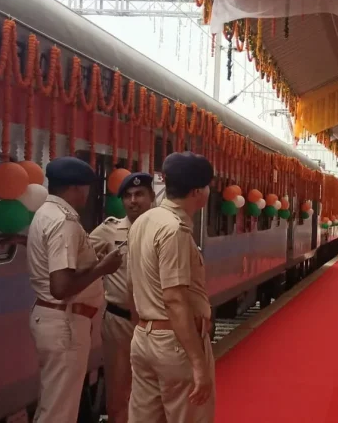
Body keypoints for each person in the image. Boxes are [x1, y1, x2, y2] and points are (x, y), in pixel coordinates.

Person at [27, 157, 123, 422]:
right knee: (60, 411)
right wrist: (102, 268)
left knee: (53, 403)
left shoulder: (44, 213)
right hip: (65, 321)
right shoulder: (64, 221)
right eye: (87, 187)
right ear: (76, 188)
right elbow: (61, 287)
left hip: (53, 318)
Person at [127, 152, 215, 422]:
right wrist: (198, 362)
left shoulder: (143, 221)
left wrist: (143, 329)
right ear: (197, 192)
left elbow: (131, 286)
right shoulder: (174, 230)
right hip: (173, 343)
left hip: (143, 338)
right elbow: (174, 299)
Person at [89, 172, 154, 423]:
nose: (133, 200)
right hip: (119, 324)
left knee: (153, 395)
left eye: (139, 194)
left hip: (155, 324)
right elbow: (75, 253)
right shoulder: (109, 230)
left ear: (151, 197)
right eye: (127, 196)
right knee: (118, 396)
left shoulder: (165, 229)